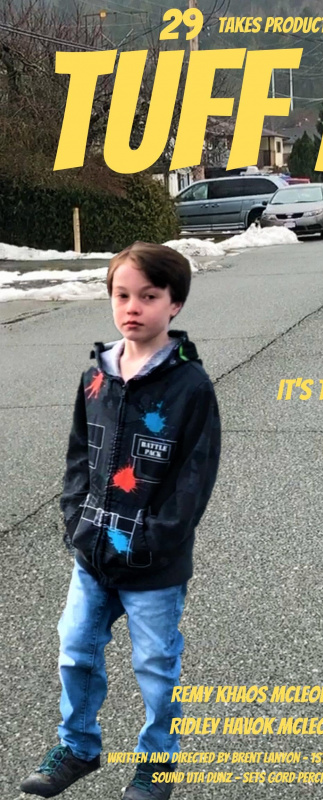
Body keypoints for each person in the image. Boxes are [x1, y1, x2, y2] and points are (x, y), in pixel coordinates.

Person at [20, 242, 221, 800]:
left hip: (154, 562)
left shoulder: (190, 386)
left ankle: (157, 762)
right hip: (93, 551)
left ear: (174, 304)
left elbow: (194, 476)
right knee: (75, 649)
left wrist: (155, 540)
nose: (133, 307)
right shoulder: (96, 376)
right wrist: (75, 520)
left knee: (155, 664)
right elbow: (78, 455)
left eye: (148, 297)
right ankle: (78, 745)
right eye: (122, 295)